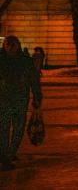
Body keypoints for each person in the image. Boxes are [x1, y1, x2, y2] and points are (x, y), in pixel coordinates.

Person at [0, 36, 42, 170]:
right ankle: (5, 156)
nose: (11, 48)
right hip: (4, 100)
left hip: (20, 99)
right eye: (8, 45)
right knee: (4, 128)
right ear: (4, 46)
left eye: (13, 45)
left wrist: (37, 97)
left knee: (18, 128)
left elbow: (33, 79)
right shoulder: (1, 60)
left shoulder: (25, 61)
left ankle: (10, 152)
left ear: (18, 45)